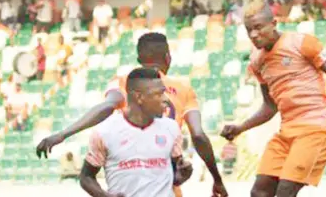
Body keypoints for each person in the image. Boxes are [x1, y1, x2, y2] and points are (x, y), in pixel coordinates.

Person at [36, 32, 228, 197]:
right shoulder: (184, 88)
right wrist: (217, 179)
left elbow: (107, 107)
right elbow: (198, 135)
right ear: (168, 58)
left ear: (139, 61)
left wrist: (63, 134)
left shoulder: (124, 82)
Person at [221, 5, 326, 197]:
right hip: (287, 132)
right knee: (260, 192)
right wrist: (240, 128)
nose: (253, 34)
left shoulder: (301, 43)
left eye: (258, 27)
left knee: (285, 191)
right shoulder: (257, 62)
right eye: (249, 29)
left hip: (315, 126)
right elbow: (270, 106)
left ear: (274, 24)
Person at [80, 67, 192, 197]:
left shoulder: (171, 128)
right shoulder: (105, 132)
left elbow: (174, 176)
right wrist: (104, 196)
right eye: (159, 93)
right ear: (139, 97)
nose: (165, 99)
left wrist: (182, 175)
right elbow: (86, 177)